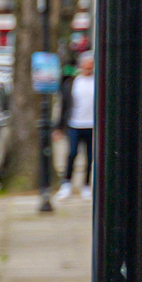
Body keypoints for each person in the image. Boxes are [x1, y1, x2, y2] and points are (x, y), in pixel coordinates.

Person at [60, 54, 95, 199]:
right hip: (74, 124)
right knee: (72, 153)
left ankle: (86, 185)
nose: (88, 69)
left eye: (90, 66)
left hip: (91, 125)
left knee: (90, 156)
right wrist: (59, 127)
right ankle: (67, 183)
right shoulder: (73, 83)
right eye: (86, 66)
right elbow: (65, 105)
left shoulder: (96, 82)